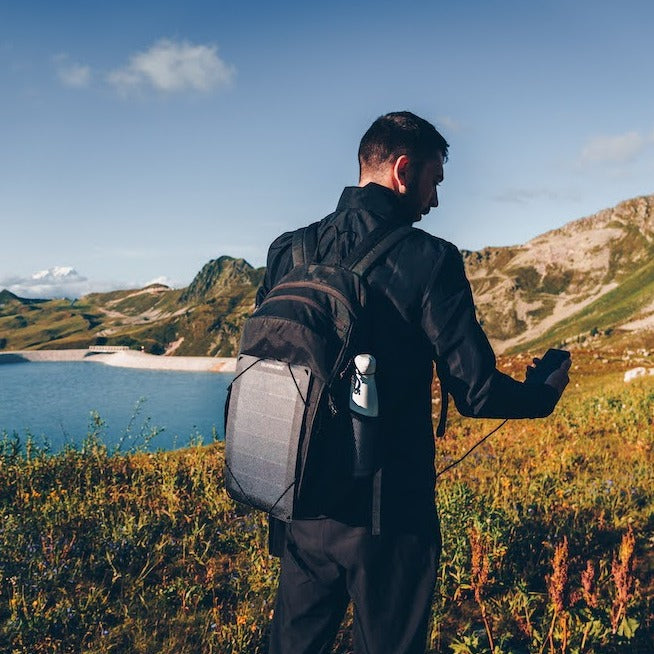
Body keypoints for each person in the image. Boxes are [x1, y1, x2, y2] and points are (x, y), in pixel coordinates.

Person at [256, 111, 571, 654]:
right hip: (389, 514)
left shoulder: (289, 249)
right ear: (403, 171)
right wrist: (542, 392)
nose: (435, 200)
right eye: (434, 182)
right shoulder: (430, 259)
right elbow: (475, 391)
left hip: (301, 499)